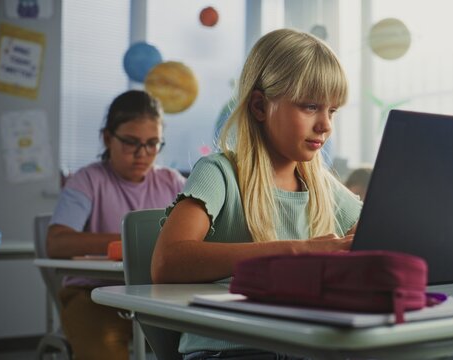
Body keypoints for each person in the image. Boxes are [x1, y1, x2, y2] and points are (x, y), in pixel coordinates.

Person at [151, 28, 362, 359]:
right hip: (232, 349)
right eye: (310, 107)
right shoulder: (219, 172)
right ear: (260, 106)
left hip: (303, 345)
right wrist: (300, 251)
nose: (325, 125)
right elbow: (167, 262)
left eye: (331, 110)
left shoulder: (321, 185)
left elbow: (375, 232)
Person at [47, 90, 186, 360]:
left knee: (202, 343)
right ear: (108, 138)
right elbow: (56, 242)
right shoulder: (87, 180)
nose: (142, 154)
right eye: (131, 142)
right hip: (93, 295)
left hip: (155, 294)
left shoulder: (172, 181)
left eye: (153, 143)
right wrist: (130, 242)